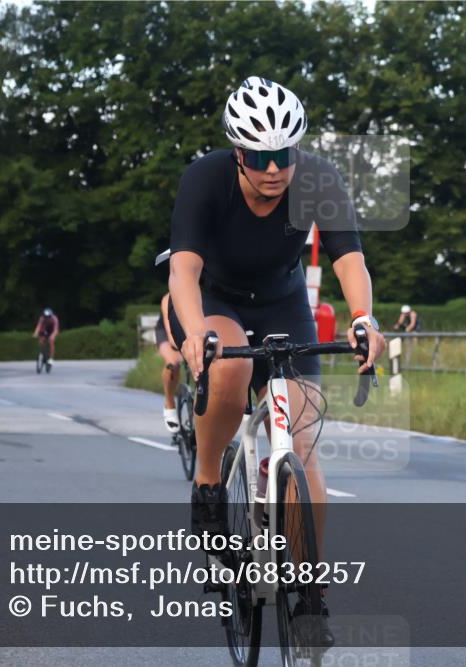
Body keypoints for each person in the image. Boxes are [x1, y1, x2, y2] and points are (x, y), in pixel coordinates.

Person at [167, 76, 385, 645]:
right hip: (214, 301)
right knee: (229, 366)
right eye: (261, 157)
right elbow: (183, 270)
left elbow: (350, 260)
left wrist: (363, 319)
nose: (274, 169)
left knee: (304, 438)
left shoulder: (317, 179)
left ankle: (310, 590)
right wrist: (194, 335)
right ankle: (210, 482)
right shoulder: (205, 178)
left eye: (283, 155)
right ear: (238, 153)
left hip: (284, 303)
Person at [157, 293, 183, 432]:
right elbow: (172, 336)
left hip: (193, 332)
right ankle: (169, 403)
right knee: (173, 363)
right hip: (169, 334)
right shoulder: (168, 299)